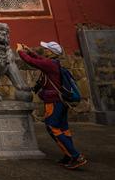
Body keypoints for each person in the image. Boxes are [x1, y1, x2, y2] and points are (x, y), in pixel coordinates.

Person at [17, 41, 88, 170]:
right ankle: (68, 156)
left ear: (51, 52)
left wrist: (20, 52)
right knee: (63, 128)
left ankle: (76, 156)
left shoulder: (49, 64)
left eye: (46, 49)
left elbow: (31, 62)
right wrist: (30, 51)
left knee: (52, 127)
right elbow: (40, 60)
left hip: (54, 102)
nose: (44, 50)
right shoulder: (54, 63)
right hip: (61, 100)